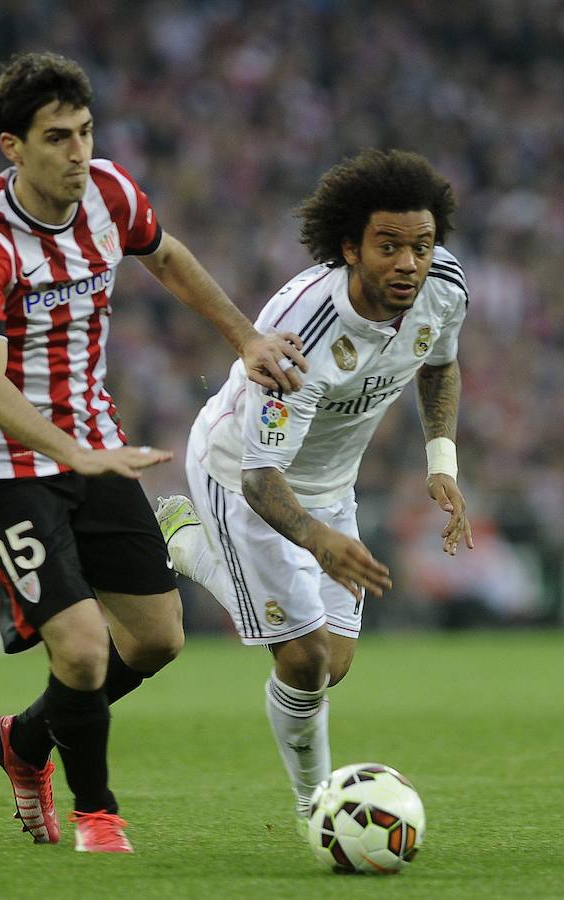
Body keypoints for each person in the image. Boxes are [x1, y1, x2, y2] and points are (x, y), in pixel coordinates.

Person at [0, 51, 307, 854]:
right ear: (13, 147)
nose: (78, 152)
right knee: (78, 646)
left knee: (154, 640)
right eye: (56, 138)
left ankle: (25, 740)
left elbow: (167, 256)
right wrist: (76, 450)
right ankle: (96, 816)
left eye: (85, 131)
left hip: (92, 451)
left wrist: (243, 336)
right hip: (5, 469)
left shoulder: (110, 192)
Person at [157, 149, 474, 832]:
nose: (407, 264)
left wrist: (440, 461)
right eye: (387, 247)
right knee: (303, 661)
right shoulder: (299, 333)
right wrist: (317, 541)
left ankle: (184, 548)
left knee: (335, 663)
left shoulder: (444, 286)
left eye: (420, 246)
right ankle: (318, 810)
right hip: (237, 476)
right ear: (349, 249)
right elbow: (259, 478)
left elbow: (438, 367)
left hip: (331, 486)